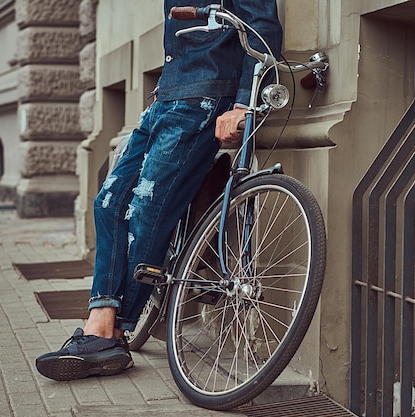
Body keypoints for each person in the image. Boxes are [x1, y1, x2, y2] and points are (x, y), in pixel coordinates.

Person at [36, 0, 283, 381]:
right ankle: (105, 328)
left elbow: (262, 25)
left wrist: (242, 105)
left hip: (205, 98)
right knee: (107, 204)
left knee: (148, 208)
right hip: (165, 97)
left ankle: (107, 331)